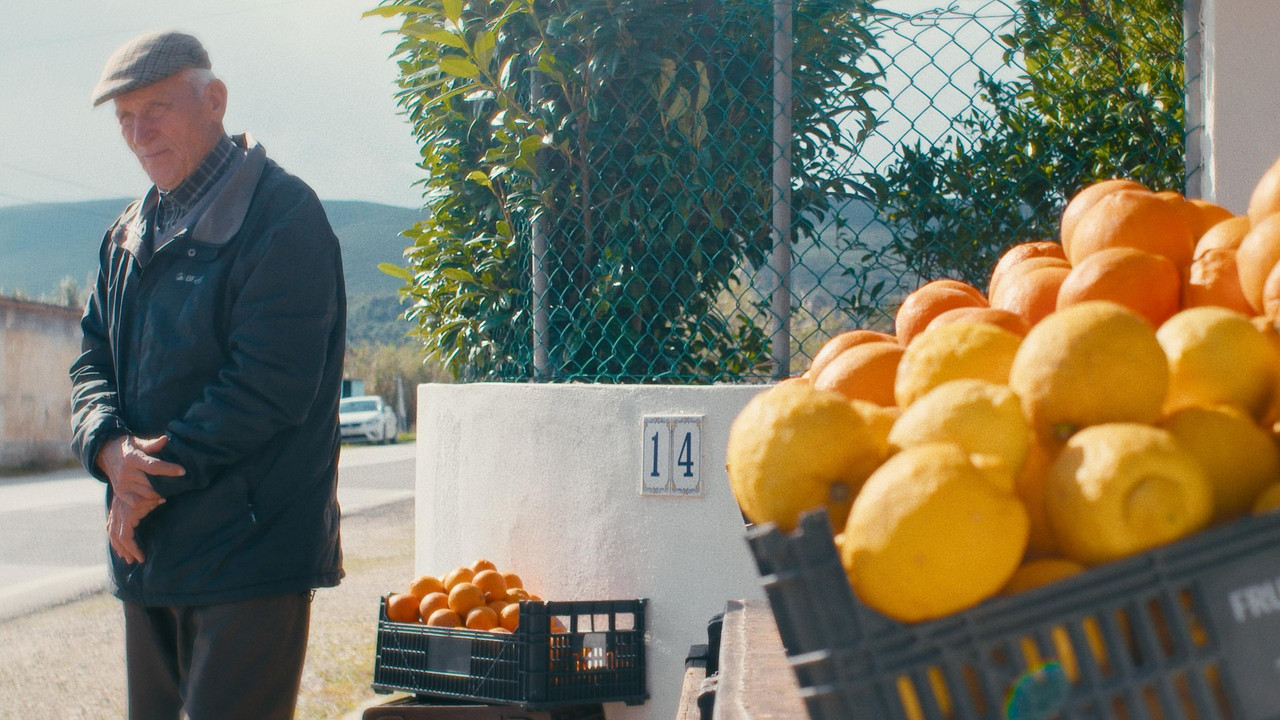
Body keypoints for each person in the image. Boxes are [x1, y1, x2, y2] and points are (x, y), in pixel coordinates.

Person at [69, 30, 346, 720]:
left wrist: (143, 479)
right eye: (125, 118)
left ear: (215, 100)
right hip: (151, 557)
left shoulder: (284, 217)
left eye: (156, 108)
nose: (139, 133)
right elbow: (90, 360)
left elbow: (269, 385)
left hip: (250, 554)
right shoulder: (126, 234)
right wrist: (107, 449)